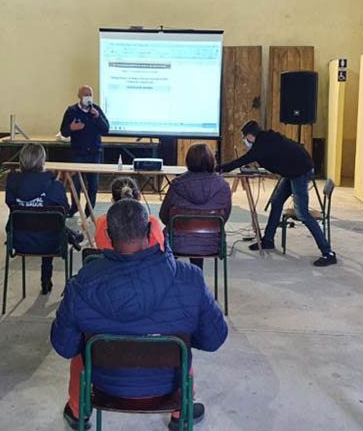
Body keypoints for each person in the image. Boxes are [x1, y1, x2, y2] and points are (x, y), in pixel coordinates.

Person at [51, 198, 228, 431]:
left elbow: (64, 347)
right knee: (180, 341)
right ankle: (180, 412)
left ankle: (78, 411)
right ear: (148, 231)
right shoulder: (190, 278)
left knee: (83, 344)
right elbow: (214, 339)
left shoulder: (81, 283)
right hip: (169, 387)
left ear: (109, 235)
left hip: (104, 386)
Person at [218, 120, 337, 267]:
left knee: (303, 214)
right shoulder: (266, 138)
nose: (245, 141)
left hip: (300, 171)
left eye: (245, 138)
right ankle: (268, 240)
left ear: (250, 135)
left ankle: (328, 253)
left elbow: (242, 160)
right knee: (276, 202)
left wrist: (219, 169)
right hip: (293, 170)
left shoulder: (261, 145)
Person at [4, 143, 84, 295]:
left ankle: (70, 236)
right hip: (52, 242)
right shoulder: (54, 186)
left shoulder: (12, 183)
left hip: (20, 240)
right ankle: (70, 238)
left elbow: (10, 203)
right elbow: (64, 211)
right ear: (42, 161)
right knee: (51, 224)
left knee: (41, 222)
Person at [159, 143, 232, 269]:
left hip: (177, 242)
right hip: (212, 243)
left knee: (179, 234)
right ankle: (197, 275)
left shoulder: (177, 185)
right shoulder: (222, 185)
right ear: (211, 160)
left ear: (188, 161)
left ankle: (170, 276)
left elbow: (163, 216)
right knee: (198, 237)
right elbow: (224, 216)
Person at [59, 85, 109, 216]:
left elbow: (106, 130)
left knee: (93, 185)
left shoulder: (96, 110)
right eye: (85, 95)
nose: (88, 98)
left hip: (94, 153)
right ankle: (74, 207)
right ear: (79, 96)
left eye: (90, 95)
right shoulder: (71, 111)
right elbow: (63, 132)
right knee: (75, 184)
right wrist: (71, 127)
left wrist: (98, 117)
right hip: (77, 153)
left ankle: (89, 209)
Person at [94, 177, 164, 251]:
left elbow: (101, 248)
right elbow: (160, 250)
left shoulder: (102, 222)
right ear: (139, 197)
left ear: (113, 200)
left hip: (110, 262)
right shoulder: (152, 222)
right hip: (147, 262)